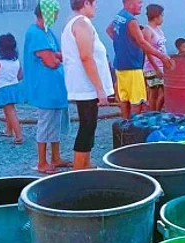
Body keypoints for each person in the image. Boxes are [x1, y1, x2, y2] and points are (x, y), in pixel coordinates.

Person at [62, 0, 114, 170]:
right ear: (86, 3)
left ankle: (86, 164)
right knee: (87, 125)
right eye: (94, 3)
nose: (96, 6)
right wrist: (100, 88)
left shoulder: (75, 23)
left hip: (84, 84)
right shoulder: (82, 23)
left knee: (90, 124)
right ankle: (78, 170)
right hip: (86, 86)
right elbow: (86, 57)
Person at [23, 0, 71, 174]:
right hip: (45, 88)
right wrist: (57, 59)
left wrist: (56, 58)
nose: (57, 16)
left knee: (55, 122)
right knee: (45, 123)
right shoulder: (36, 33)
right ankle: (42, 161)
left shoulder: (47, 32)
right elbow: (51, 61)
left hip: (55, 87)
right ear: (47, 13)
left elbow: (57, 55)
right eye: (55, 12)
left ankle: (56, 157)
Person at [107, 0, 173, 119]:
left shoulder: (119, 16)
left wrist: (123, 44)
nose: (141, 7)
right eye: (139, 3)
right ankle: (133, 128)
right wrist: (162, 56)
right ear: (130, 3)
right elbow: (142, 42)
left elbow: (109, 30)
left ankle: (125, 126)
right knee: (136, 101)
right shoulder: (131, 21)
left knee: (124, 99)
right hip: (133, 67)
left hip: (120, 66)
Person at [0, 33, 24, 144]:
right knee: (8, 111)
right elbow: (20, 76)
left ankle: (19, 136)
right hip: (14, 88)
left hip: (3, 89)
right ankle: (8, 131)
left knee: (10, 112)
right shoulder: (16, 61)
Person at [143, 4, 167, 111]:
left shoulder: (158, 29)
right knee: (154, 92)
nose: (162, 18)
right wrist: (156, 68)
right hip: (152, 67)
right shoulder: (147, 31)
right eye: (162, 15)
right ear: (156, 16)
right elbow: (147, 51)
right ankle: (153, 113)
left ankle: (157, 111)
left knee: (165, 91)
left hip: (162, 65)